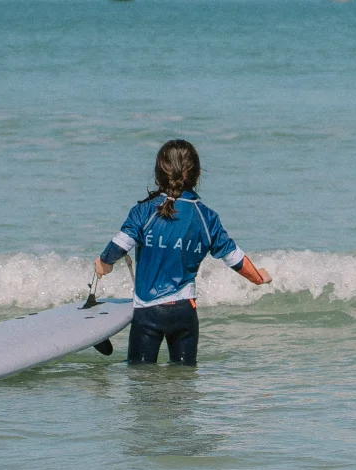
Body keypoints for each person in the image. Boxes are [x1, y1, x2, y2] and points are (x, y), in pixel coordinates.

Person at [96, 139, 272, 366]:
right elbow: (234, 258)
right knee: (183, 383)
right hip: (184, 311)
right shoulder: (207, 217)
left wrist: (103, 262)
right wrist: (259, 278)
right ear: (196, 175)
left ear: (158, 173)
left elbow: (119, 246)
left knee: (140, 380)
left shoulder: (144, 211)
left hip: (148, 312)